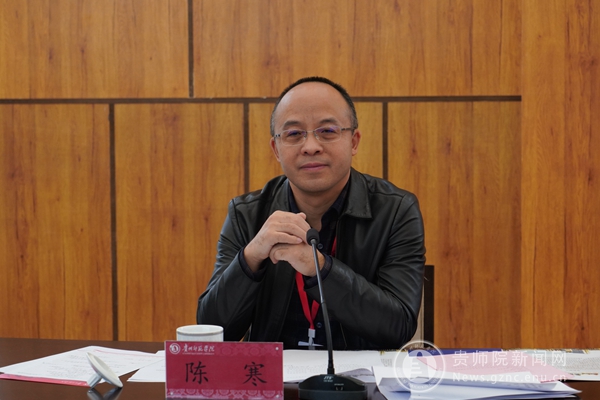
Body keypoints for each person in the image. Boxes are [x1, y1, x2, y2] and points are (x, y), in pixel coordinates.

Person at [197, 76, 425, 350]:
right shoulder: (246, 214)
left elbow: (397, 328)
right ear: (276, 149)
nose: (311, 146)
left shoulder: (396, 211)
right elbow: (214, 331)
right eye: (294, 134)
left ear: (353, 142)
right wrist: (251, 257)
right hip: (272, 375)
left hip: (358, 376)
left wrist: (319, 268)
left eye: (327, 131)